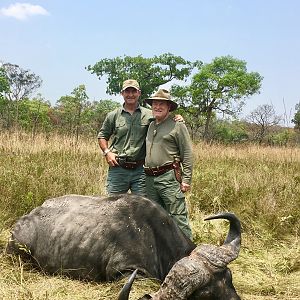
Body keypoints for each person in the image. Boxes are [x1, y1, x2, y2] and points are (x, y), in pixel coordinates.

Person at [98, 79, 183, 196]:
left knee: (142, 207)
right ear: (122, 93)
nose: (130, 95)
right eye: (127, 91)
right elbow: (102, 136)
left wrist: (176, 117)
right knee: (113, 206)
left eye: (134, 91)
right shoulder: (113, 115)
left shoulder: (149, 114)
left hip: (141, 171)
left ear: (139, 93)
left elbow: (163, 117)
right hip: (118, 168)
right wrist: (107, 152)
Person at [144, 89, 193, 239]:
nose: (157, 107)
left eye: (162, 104)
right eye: (155, 104)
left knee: (178, 217)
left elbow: (187, 153)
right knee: (154, 217)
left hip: (168, 177)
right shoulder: (151, 124)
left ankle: (188, 253)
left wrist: (186, 180)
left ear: (169, 107)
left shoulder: (177, 126)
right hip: (150, 178)